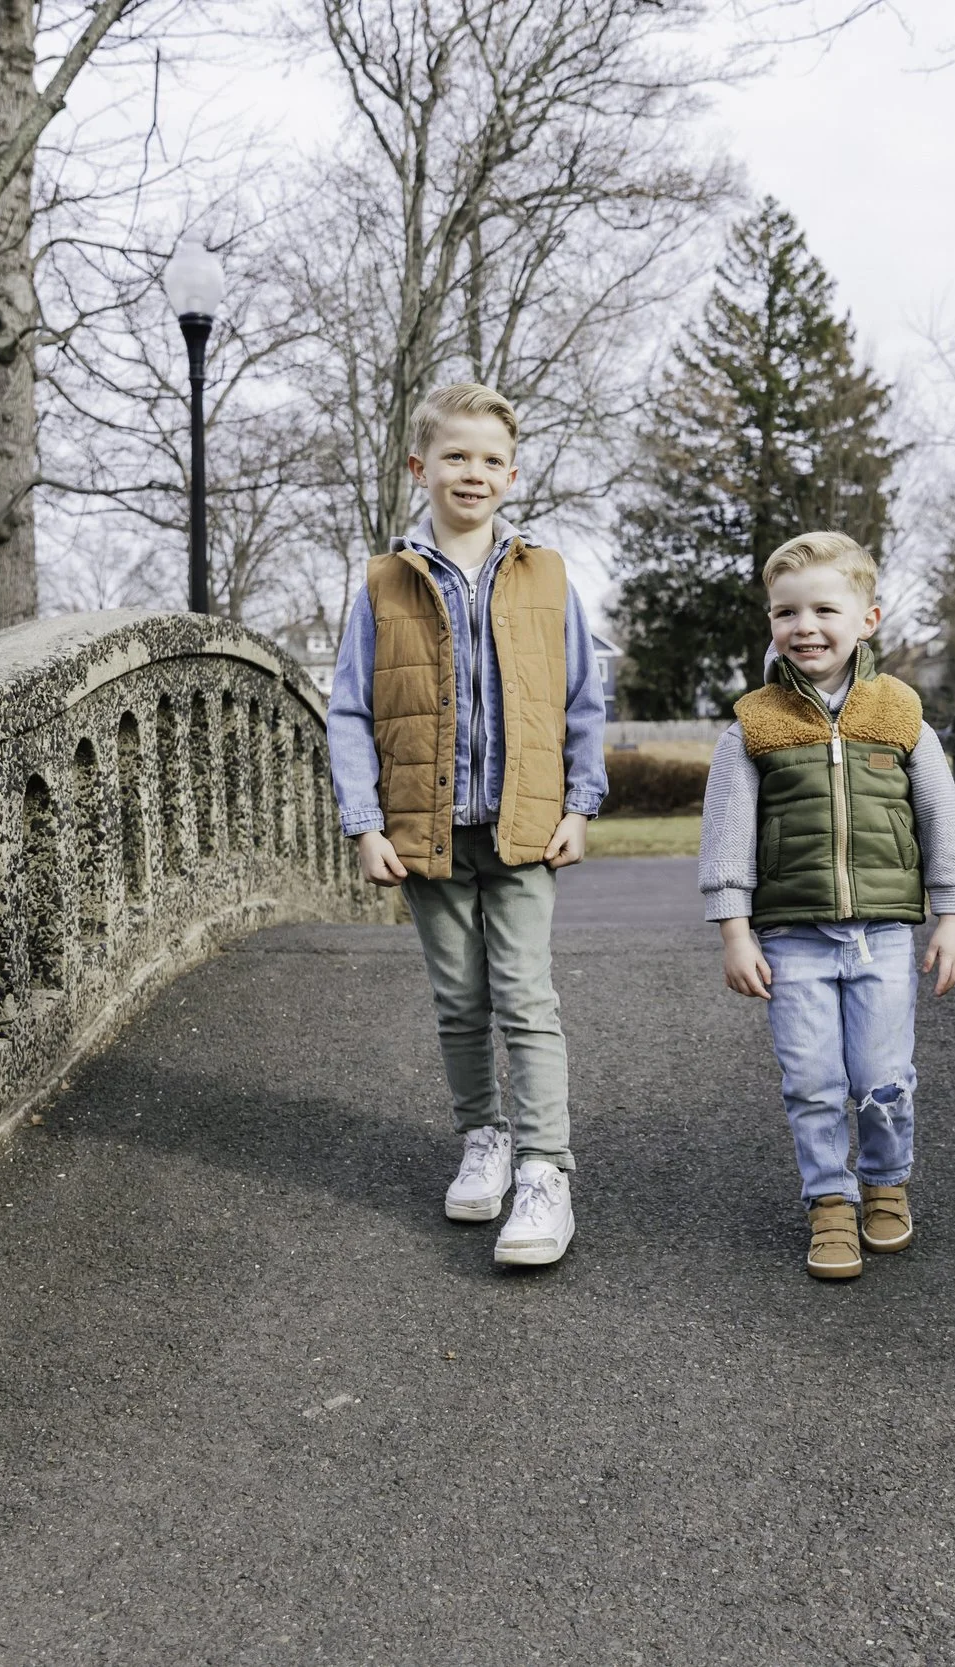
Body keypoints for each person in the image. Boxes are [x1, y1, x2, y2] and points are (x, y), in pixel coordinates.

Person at [326, 382, 608, 1268]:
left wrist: (580, 802)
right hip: (426, 829)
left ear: (513, 475)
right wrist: (365, 821)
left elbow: (582, 699)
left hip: (524, 827)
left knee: (525, 996)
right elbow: (348, 711)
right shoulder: (384, 582)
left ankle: (544, 1168)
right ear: (421, 467)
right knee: (459, 1000)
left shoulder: (547, 575)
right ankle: (483, 1136)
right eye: (455, 456)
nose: (472, 473)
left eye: (490, 460)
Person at [697, 531, 955, 1279]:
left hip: (883, 936)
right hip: (792, 939)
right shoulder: (753, 726)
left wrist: (951, 918)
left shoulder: (900, 716)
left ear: (869, 619)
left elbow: (942, 824)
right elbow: (727, 838)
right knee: (813, 1082)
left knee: (884, 1077)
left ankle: (886, 1183)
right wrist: (734, 931)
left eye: (826, 607)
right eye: (786, 611)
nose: (805, 625)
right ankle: (829, 1200)